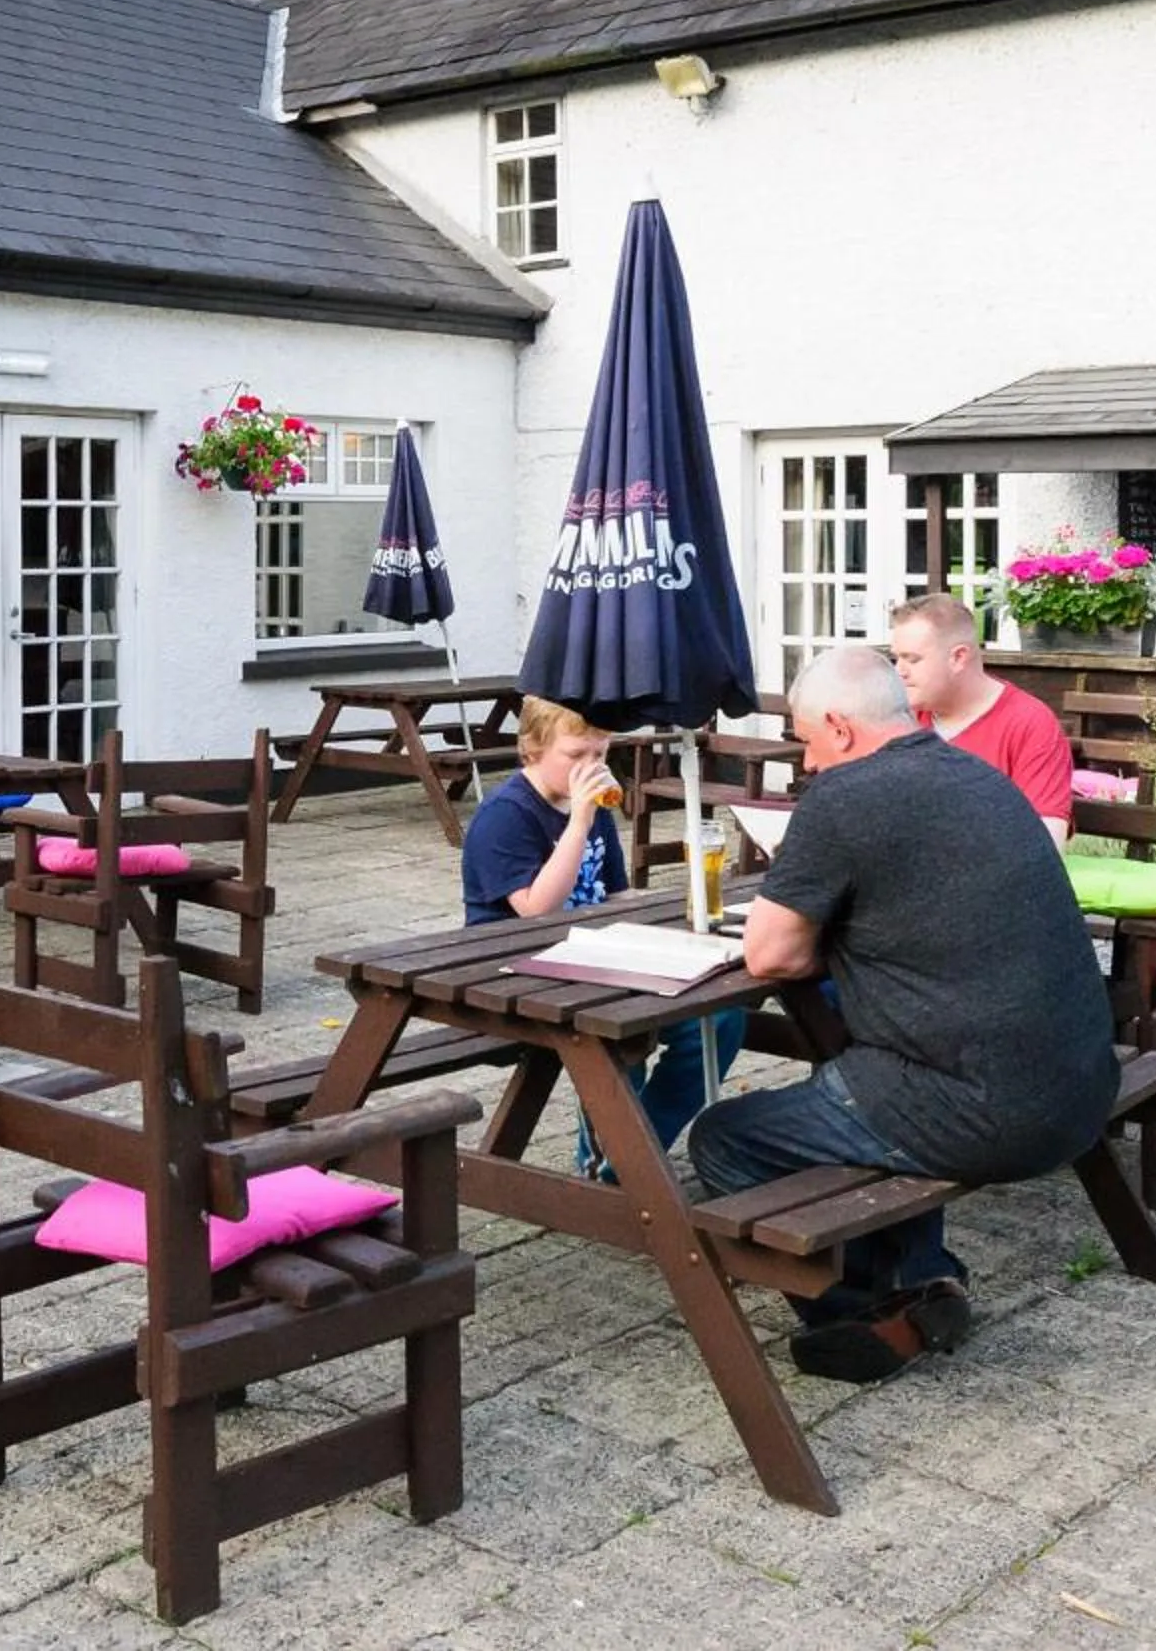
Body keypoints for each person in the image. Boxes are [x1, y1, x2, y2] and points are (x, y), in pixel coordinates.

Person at [691, 645, 1116, 1384]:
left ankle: (861, 1309)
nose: (807, 761)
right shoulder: (980, 778)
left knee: (727, 1137)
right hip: (1080, 1087)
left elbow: (768, 956)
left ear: (841, 729)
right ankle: (928, 1276)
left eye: (807, 740)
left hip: (982, 1109)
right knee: (869, 1080)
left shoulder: (845, 798)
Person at [462, 695, 748, 1175]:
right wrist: (577, 823)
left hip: (590, 953)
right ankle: (611, 1164)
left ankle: (634, 1154)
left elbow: (612, 894)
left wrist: (677, 911)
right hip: (518, 963)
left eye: (599, 754)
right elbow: (535, 910)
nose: (591, 767)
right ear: (531, 750)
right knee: (622, 1027)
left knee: (720, 1017)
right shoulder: (506, 814)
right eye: (576, 756)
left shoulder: (592, 807)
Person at [887, 593, 1073, 827]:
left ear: (958, 657)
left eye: (912, 659)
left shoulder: (1029, 724)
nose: (898, 671)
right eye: (896, 659)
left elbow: (1045, 844)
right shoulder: (898, 718)